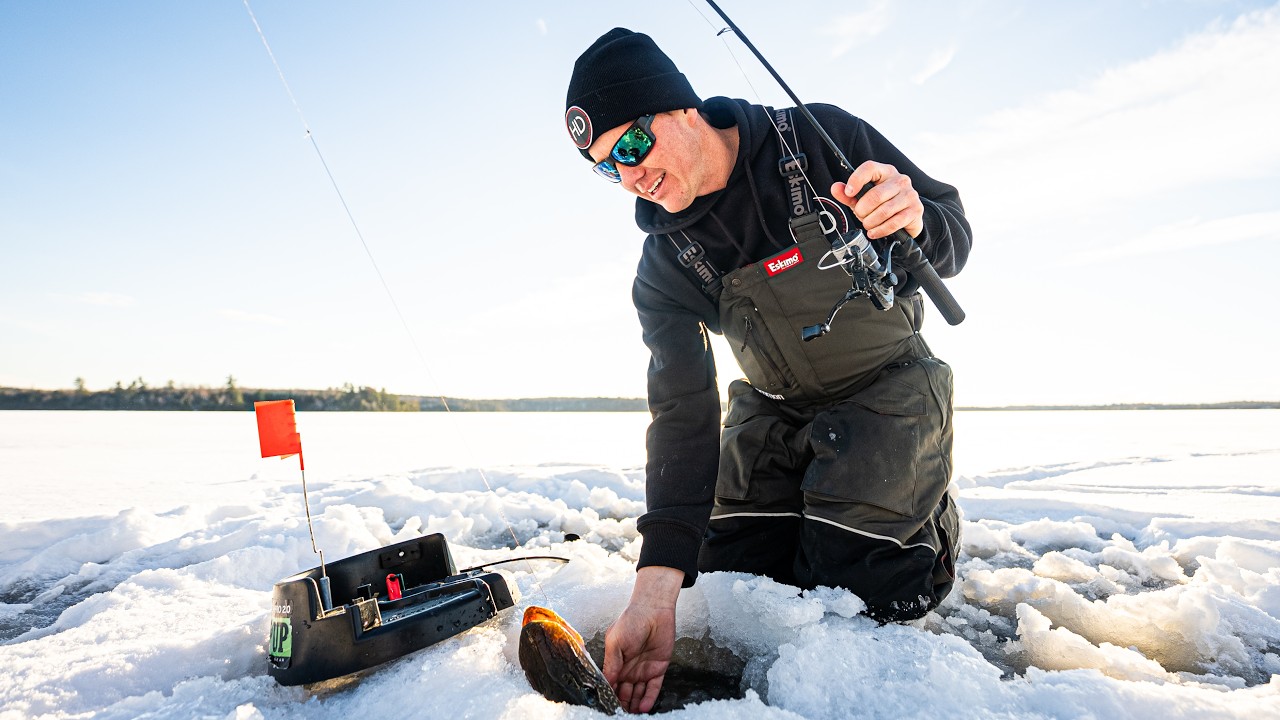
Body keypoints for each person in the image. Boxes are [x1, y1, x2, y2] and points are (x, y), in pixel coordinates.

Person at [564, 28, 972, 713]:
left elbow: (953, 238)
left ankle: (926, 525)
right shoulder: (666, 264)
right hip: (773, 409)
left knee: (856, 584)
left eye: (630, 145)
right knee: (739, 581)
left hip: (887, 389)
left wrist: (916, 217)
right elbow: (683, 411)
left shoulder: (818, 140)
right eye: (607, 167)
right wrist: (657, 588)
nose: (629, 175)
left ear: (680, 108)